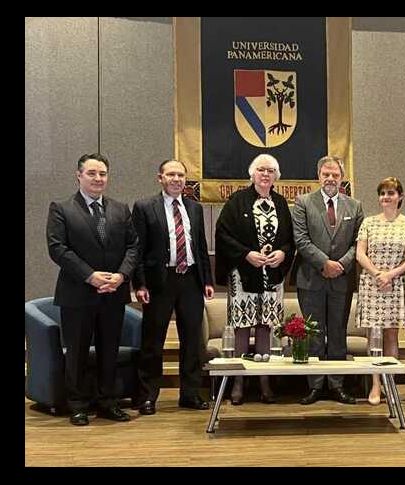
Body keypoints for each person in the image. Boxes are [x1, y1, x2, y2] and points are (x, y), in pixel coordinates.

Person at [46, 153, 138, 426]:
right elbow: (57, 248)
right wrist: (90, 276)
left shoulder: (121, 209)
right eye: (92, 173)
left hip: (114, 293)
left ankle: (108, 402)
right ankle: (77, 405)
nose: (98, 179)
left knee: (109, 350)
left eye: (103, 174)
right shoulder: (61, 209)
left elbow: (133, 246)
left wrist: (121, 276)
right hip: (78, 294)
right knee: (77, 352)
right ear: (79, 175)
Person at [132, 159, 215, 415]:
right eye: (171, 175)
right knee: (153, 340)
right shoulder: (145, 207)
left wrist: (207, 281)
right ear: (160, 178)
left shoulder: (194, 207)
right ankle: (148, 396)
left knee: (192, 340)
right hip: (160, 281)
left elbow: (200, 246)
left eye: (180, 175)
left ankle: (190, 394)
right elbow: (137, 249)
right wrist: (140, 283)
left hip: (190, 279)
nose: (176, 179)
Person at [215, 154, 295, 404]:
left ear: (276, 176)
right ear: (252, 174)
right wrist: (246, 254)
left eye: (270, 171)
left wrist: (283, 253)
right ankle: (238, 383)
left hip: (271, 276)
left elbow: (290, 239)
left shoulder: (281, 203)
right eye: (261, 170)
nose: (265, 174)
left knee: (265, 326)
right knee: (242, 327)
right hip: (243, 274)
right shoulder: (237, 201)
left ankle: (263, 381)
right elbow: (223, 234)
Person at [293, 155, 364, 405]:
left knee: (337, 333)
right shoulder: (303, 202)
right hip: (311, 279)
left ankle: (336, 384)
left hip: (341, 281)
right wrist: (324, 263)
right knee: (314, 333)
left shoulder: (354, 206)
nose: (331, 179)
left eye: (335, 175)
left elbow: (359, 243)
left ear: (342, 178)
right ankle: (314, 385)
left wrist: (341, 265)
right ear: (318, 176)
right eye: (326, 174)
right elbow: (300, 239)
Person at [355, 177, 405, 406]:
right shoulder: (369, 223)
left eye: (391, 193)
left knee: (391, 335)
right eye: (382, 193)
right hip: (373, 284)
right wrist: (378, 274)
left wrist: (390, 275)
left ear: (400, 196)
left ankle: (390, 383)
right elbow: (360, 254)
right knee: (374, 335)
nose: (386, 197)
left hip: (396, 283)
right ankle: (375, 385)